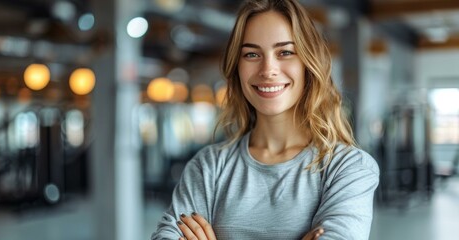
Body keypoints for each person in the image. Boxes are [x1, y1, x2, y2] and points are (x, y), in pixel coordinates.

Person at [151, 0, 379, 239]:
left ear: (308, 64)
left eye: (285, 52)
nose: (268, 69)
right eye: (251, 54)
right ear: (237, 67)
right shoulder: (208, 167)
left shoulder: (348, 168)